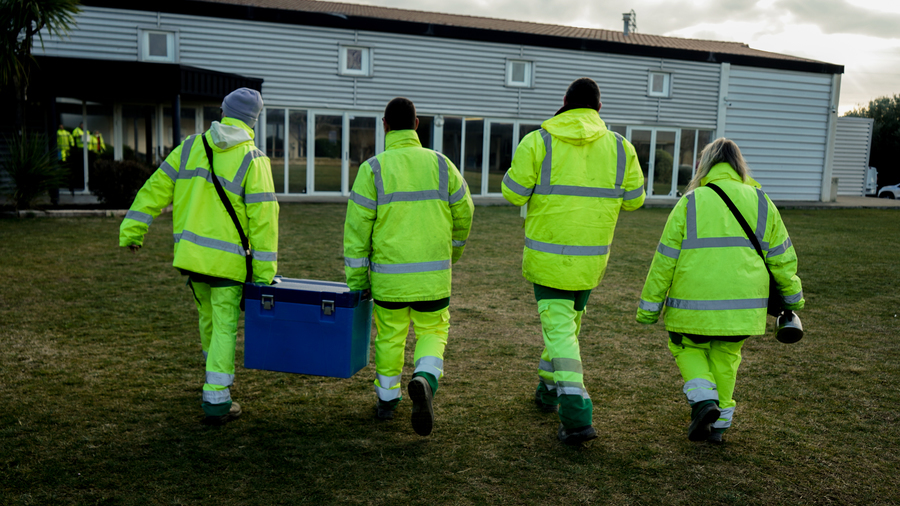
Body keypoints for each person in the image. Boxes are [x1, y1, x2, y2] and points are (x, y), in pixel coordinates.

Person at [119, 88, 279, 425]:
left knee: (208, 320)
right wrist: (263, 276)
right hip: (228, 264)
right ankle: (217, 400)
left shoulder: (190, 147)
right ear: (254, 121)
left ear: (222, 111)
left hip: (192, 259)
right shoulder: (254, 159)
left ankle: (211, 377)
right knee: (224, 327)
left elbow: (155, 187)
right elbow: (264, 221)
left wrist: (133, 229)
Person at [502, 77, 645, 445]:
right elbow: (635, 200)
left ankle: (577, 413)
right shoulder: (620, 147)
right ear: (599, 108)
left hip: (548, 257)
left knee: (561, 331)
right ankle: (547, 390)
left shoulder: (538, 141)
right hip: (591, 260)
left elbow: (512, 193)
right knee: (565, 328)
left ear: (564, 101)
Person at [636, 138, 804, 444]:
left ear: (704, 164)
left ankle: (703, 402)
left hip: (692, 303)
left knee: (685, 347)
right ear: (739, 165)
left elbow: (664, 260)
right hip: (742, 307)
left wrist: (649, 309)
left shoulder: (691, 201)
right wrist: (792, 300)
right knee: (726, 357)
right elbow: (782, 257)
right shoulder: (761, 200)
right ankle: (720, 427)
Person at [343, 97, 474, 436]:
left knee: (389, 337)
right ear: (417, 125)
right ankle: (425, 378)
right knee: (433, 332)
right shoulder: (443, 165)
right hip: (433, 279)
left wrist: (358, 280)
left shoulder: (372, 169)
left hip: (389, 282)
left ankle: (387, 401)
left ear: (384, 125)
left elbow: (356, 232)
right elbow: (465, 213)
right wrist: (452, 253)